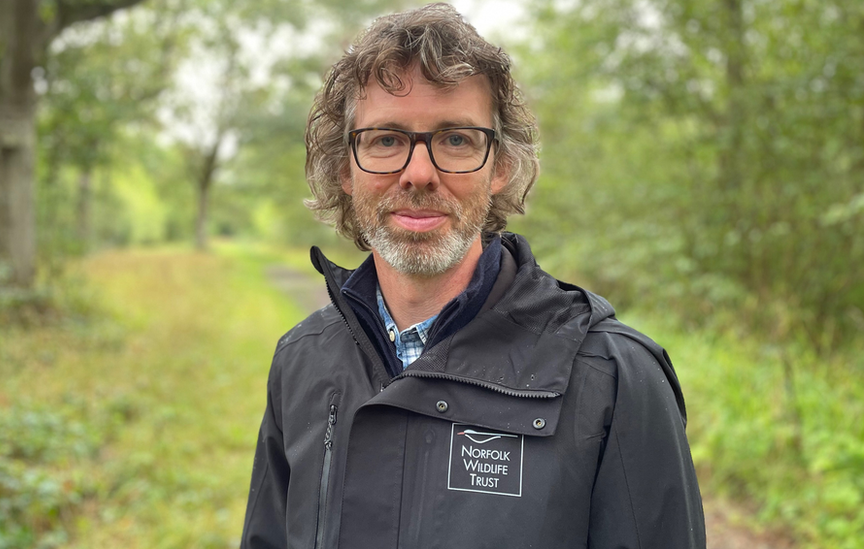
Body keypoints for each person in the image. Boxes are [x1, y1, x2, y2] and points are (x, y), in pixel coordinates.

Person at [241, 4, 706, 548]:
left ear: (500, 165)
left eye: (456, 140)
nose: (418, 174)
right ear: (345, 169)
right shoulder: (300, 360)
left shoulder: (614, 377)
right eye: (386, 139)